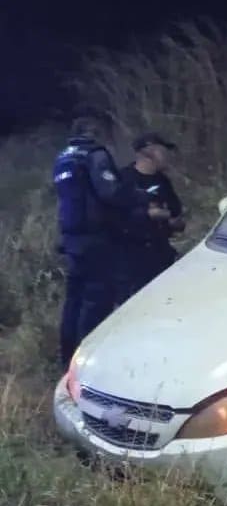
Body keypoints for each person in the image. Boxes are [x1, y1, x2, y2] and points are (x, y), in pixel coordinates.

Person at [53, 114, 163, 367]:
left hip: (72, 240)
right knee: (96, 301)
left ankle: (67, 360)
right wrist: (141, 197)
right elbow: (111, 192)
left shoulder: (64, 158)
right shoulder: (95, 155)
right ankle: (88, 364)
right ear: (95, 132)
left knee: (73, 302)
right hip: (96, 241)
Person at [116, 132, 185, 301]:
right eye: (163, 150)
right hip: (132, 257)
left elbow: (176, 214)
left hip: (161, 252)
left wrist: (172, 221)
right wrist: (147, 215)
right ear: (148, 152)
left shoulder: (163, 181)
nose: (167, 156)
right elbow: (115, 218)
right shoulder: (124, 179)